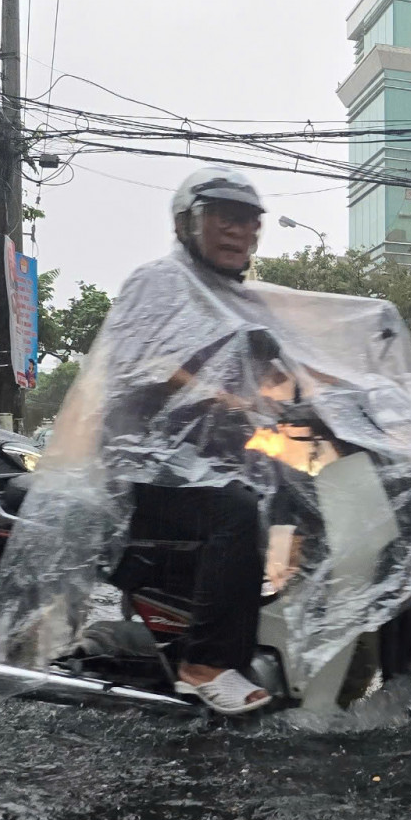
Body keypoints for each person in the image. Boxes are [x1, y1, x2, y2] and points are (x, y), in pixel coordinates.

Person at [99, 165, 284, 714]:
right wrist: (213, 394)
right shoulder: (159, 281)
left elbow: (281, 365)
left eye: (250, 221)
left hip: (206, 460)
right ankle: (204, 662)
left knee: (302, 492)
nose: (239, 230)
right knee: (238, 511)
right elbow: (135, 362)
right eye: (223, 217)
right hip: (142, 466)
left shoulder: (237, 299)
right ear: (185, 223)